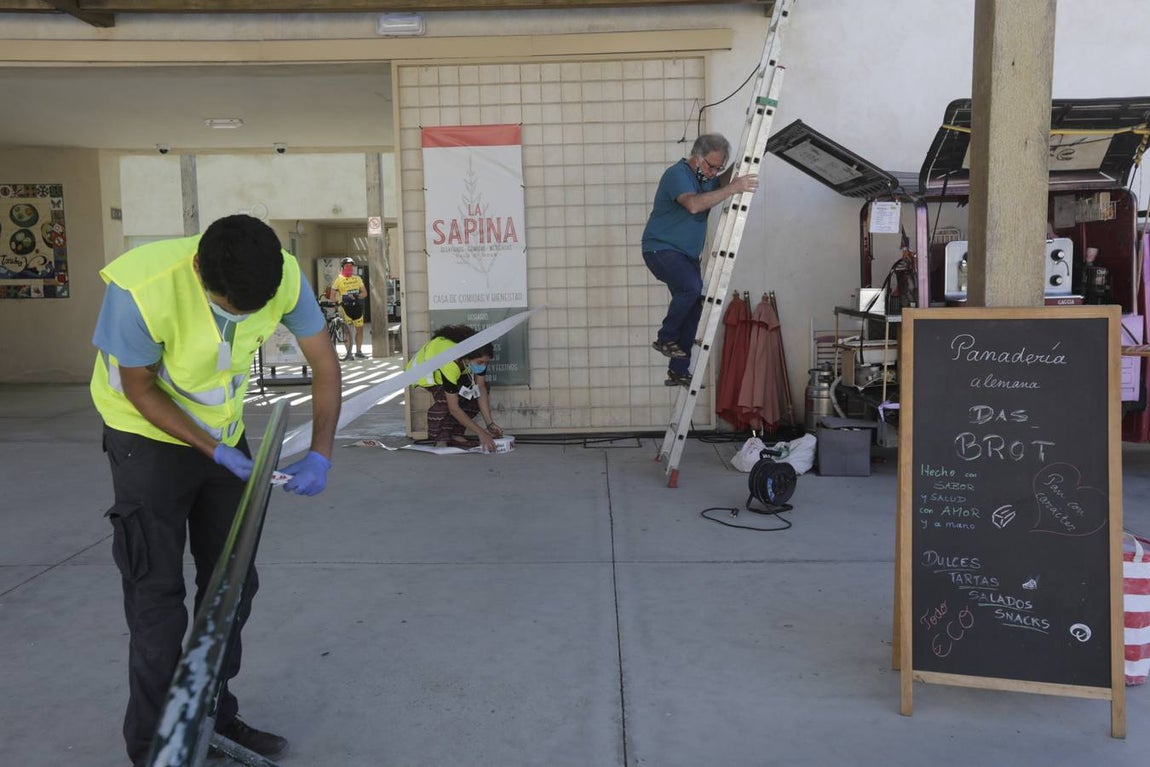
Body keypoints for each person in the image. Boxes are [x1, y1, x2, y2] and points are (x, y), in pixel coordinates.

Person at [89, 214, 341, 766]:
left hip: (222, 432)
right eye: (227, 306)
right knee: (157, 599)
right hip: (144, 436)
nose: (236, 317)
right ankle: (157, 748)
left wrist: (321, 451)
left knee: (232, 584)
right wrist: (213, 451)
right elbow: (138, 387)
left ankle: (213, 717)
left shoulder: (285, 277)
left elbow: (323, 364)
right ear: (198, 267)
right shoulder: (141, 287)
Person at [641, 133, 759, 386]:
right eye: (711, 166)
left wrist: (744, 165)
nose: (714, 172)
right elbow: (694, 205)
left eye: (719, 167)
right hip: (661, 249)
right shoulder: (678, 174)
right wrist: (733, 188)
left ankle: (678, 370)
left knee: (695, 307)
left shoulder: (706, 178)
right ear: (697, 157)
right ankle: (665, 337)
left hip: (685, 254)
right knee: (691, 288)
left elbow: (720, 184)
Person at [408, 324, 503, 451]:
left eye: (487, 362)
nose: (483, 366)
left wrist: (489, 424)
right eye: (480, 362)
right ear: (468, 358)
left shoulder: (475, 355)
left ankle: (456, 435)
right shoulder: (450, 362)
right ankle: (440, 439)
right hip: (424, 375)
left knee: (477, 391)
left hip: (454, 371)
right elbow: (454, 408)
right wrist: (481, 433)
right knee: (446, 400)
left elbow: (480, 388)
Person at [328, 257, 367, 360]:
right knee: (347, 331)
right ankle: (349, 353)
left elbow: (364, 293)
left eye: (351, 266)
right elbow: (332, 296)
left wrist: (357, 296)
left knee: (360, 330)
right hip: (345, 308)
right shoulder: (338, 280)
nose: (349, 268)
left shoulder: (357, 278)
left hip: (356, 307)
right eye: (347, 266)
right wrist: (337, 303)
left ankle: (359, 351)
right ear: (342, 267)